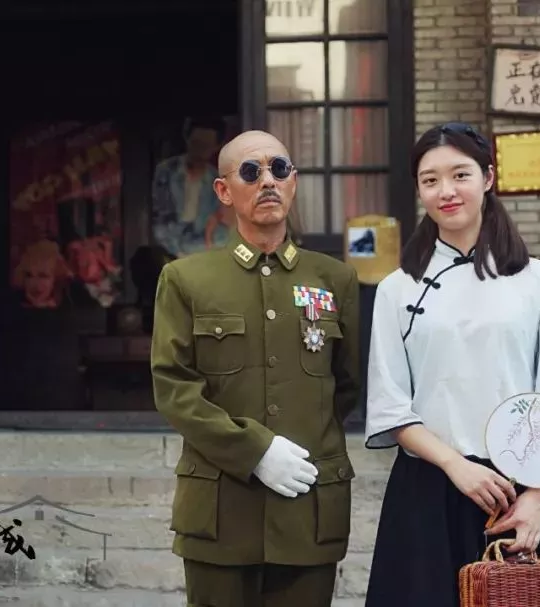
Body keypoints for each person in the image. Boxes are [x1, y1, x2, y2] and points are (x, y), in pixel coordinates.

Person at [361, 122, 540, 606]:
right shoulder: (396, 289)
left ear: (488, 178)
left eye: (460, 175)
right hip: (427, 490)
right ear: (419, 191)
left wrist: (538, 495)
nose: (446, 191)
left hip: (518, 492)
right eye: (430, 180)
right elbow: (391, 405)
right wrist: (456, 465)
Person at [150, 129, 362, 607]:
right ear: (224, 191)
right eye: (251, 171)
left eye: (279, 169)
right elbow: (174, 388)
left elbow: (346, 386)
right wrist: (255, 452)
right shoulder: (186, 279)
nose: (268, 180)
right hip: (222, 509)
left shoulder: (335, 279)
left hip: (307, 505)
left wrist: (304, 434)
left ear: (293, 182)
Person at [151, 117, 230, 257]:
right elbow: (160, 217)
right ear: (187, 139)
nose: (199, 151)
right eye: (195, 143)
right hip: (171, 238)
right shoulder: (166, 171)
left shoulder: (217, 179)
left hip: (201, 241)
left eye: (205, 146)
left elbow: (217, 222)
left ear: (216, 147)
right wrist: (177, 250)